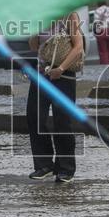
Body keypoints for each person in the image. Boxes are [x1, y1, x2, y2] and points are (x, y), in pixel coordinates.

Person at [26, 10, 84, 183]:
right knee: (34, 116)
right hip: (42, 73)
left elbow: (78, 46)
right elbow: (33, 46)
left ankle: (65, 168)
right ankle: (44, 164)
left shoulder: (69, 16)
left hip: (63, 75)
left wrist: (61, 68)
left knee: (62, 121)